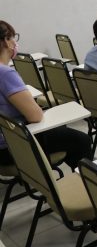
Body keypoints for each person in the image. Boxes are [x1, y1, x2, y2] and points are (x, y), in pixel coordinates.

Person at [0, 20, 91, 169]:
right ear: (5, 41)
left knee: (65, 134)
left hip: (7, 142)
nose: (15, 42)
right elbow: (35, 116)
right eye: (13, 37)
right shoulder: (6, 73)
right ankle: (81, 185)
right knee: (82, 140)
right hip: (15, 146)